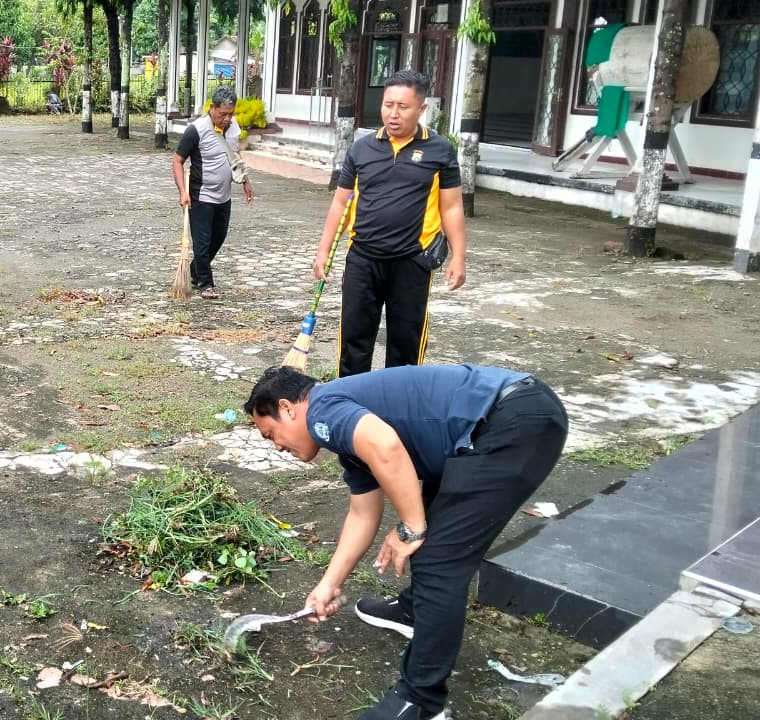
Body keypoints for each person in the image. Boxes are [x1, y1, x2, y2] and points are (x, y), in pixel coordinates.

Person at [244, 364, 568, 720]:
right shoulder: (346, 431)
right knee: (432, 530)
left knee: (439, 561)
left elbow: (386, 445)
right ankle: (417, 610)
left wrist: (411, 527)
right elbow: (363, 514)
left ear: (289, 408)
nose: (276, 446)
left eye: (270, 433)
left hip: (513, 422)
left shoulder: (323, 409)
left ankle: (420, 703)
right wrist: (328, 585)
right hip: (508, 418)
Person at [314, 69, 467, 378]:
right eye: (388, 105)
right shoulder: (362, 149)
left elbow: (451, 207)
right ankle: (351, 405)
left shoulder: (439, 150)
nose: (393, 114)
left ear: (422, 109)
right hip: (363, 259)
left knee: (405, 344)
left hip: (412, 261)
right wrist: (323, 251)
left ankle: (399, 408)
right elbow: (340, 202)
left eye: (403, 106)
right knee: (355, 340)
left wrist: (459, 256)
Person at [173, 85, 254, 300]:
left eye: (231, 114)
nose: (227, 119)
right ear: (212, 108)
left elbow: (234, 154)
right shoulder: (196, 130)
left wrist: (245, 180)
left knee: (218, 237)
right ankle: (205, 283)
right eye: (223, 114)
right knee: (203, 241)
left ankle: (193, 271)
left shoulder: (233, 126)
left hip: (223, 195)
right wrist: (183, 191)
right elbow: (178, 160)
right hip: (201, 195)